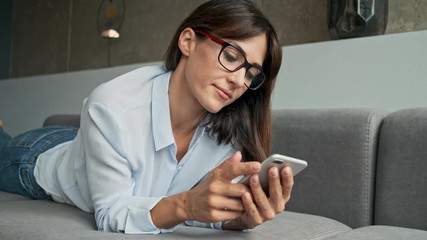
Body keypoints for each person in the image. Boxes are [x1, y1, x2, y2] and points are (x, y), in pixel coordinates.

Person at [0, 0, 293, 234]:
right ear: (188, 41)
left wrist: (242, 218)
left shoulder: (231, 132)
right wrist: (186, 205)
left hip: (91, 145)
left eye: (251, 73)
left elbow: (205, 211)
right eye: (231, 57)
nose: (238, 81)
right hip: (35, 160)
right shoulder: (113, 105)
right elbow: (111, 213)